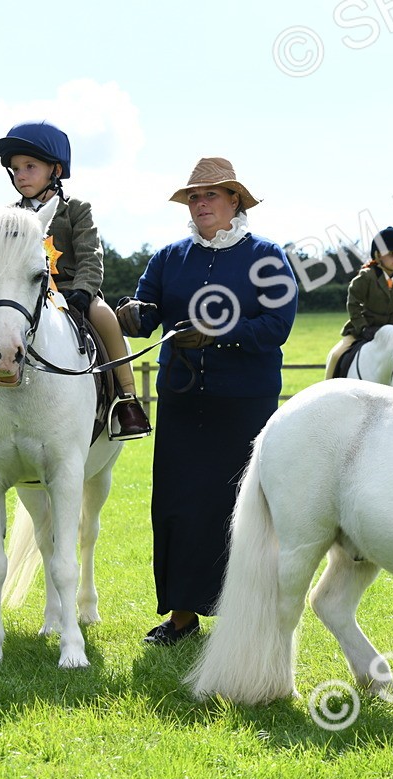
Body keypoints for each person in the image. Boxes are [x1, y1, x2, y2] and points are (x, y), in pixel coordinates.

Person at [115, 157, 297, 645]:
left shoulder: (267, 256)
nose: (200, 204)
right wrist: (133, 315)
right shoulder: (169, 257)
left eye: (210, 195)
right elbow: (148, 309)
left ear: (234, 200)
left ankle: (248, 616)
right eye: (194, 197)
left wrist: (219, 333)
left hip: (244, 407)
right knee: (178, 507)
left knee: (242, 510)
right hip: (180, 403)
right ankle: (181, 619)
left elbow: (277, 326)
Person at [0, 121, 151, 439]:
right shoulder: (7, 216)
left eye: (29, 166)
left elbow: (91, 256)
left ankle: (126, 400)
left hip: (69, 292)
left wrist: (84, 290)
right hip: (21, 294)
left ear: (54, 169)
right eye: (15, 169)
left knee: (104, 316)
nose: (20, 175)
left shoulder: (76, 210)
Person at [323, 226, 393, 379]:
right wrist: (363, 328)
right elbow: (353, 303)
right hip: (365, 328)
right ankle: (327, 386)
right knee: (336, 354)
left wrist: (392, 328)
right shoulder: (367, 276)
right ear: (378, 256)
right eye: (391, 254)